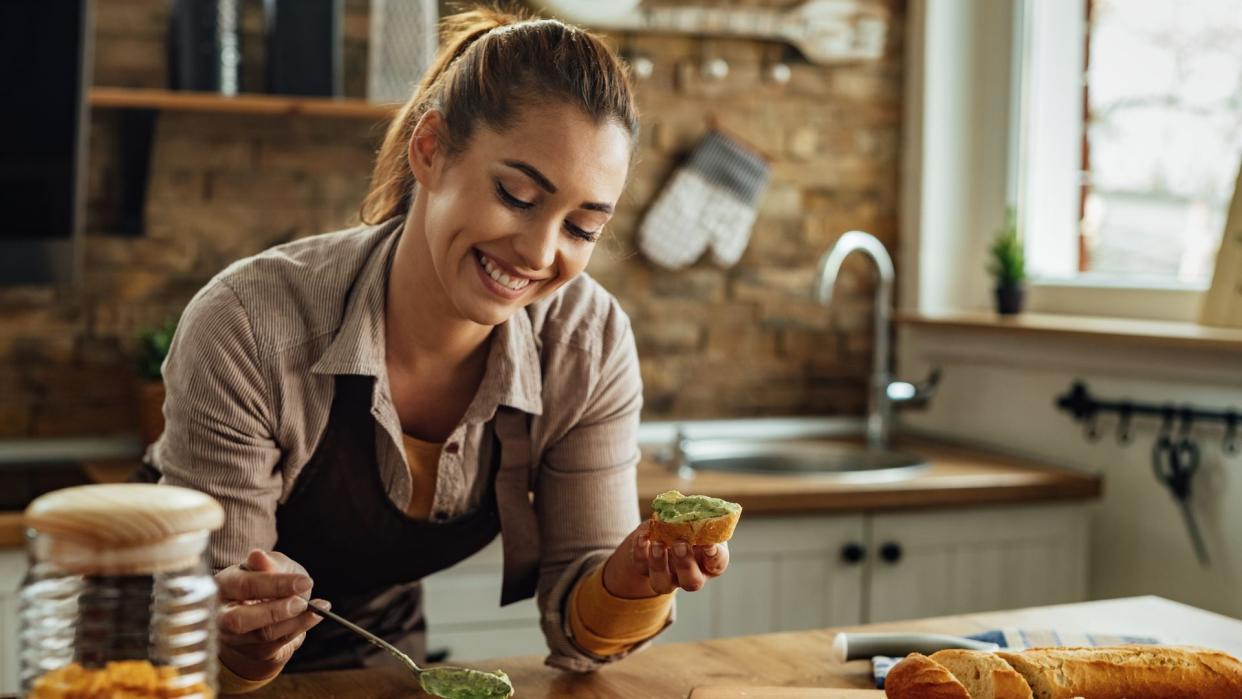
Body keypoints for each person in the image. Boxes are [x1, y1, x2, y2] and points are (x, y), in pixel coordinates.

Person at [144, 7, 732, 692]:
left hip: (377, 652)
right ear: (430, 150)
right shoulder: (251, 324)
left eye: (581, 226)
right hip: (171, 655)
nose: (540, 253)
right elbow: (208, 631)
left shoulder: (585, 342)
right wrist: (245, 630)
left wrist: (631, 578)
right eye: (516, 195)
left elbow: (584, 637)